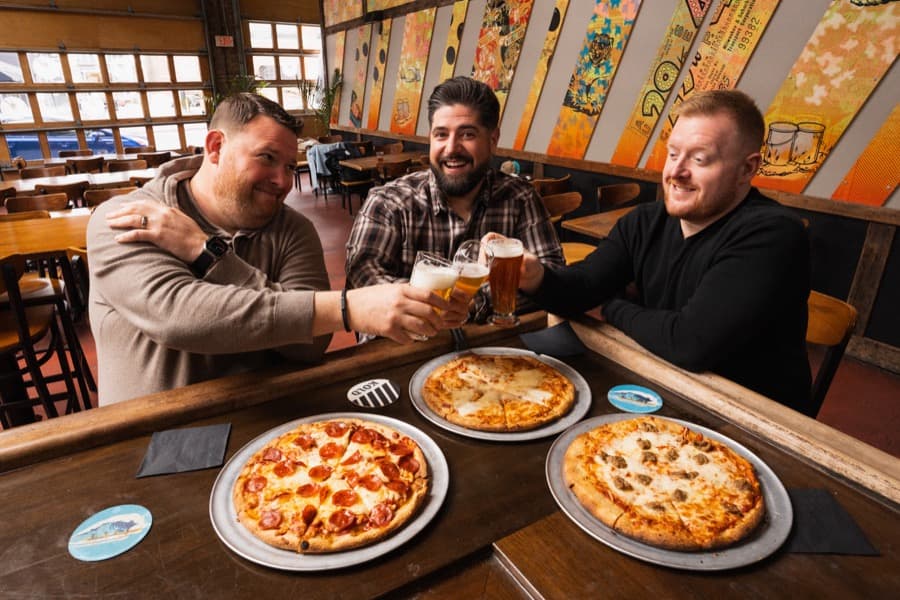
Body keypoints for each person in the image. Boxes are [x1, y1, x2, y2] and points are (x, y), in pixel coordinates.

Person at [88, 93, 466, 405]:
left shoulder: (292, 228)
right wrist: (348, 309)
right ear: (216, 147)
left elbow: (310, 346)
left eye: (290, 165)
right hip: (149, 436)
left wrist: (208, 253)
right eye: (266, 158)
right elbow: (181, 317)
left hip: (267, 422)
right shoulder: (126, 218)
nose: (282, 181)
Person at [514, 89, 813, 414]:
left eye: (699, 159)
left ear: (746, 169)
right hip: (668, 386)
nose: (676, 172)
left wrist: (609, 308)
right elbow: (583, 287)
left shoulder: (773, 233)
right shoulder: (644, 221)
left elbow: (690, 342)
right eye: (672, 155)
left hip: (754, 419)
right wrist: (535, 277)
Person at [345, 76, 564, 328]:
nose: (451, 148)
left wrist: (472, 303)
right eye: (441, 135)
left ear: (493, 140)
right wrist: (455, 303)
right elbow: (363, 278)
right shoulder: (387, 202)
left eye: (467, 134)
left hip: (495, 353)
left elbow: (553, 280)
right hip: (406, 352)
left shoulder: (520, 198)